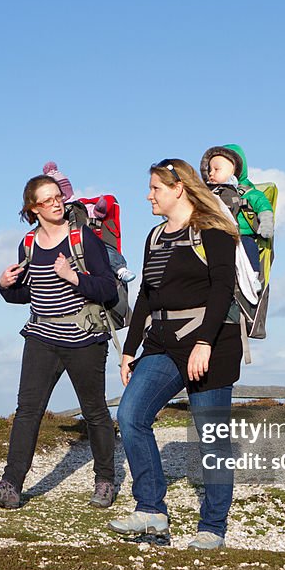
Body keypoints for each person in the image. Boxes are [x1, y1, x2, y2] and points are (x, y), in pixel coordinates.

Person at [108, 159, 243, 549]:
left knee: (212, 438)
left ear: (178, 188)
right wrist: (129, 350)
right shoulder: (154, 237)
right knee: (131, 415)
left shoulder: (213, 232)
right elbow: (146, 296)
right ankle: (151, 512)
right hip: (162, 344)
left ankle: (213, 528)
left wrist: (204, 343)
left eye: (155, 188)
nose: (148, 195)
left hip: (210, 345)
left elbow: (222, 291)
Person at [0, 174, 118, 510]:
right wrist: (3, 284)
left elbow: (108, 289)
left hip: (83, 338)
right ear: (33, 208)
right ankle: (11, 486)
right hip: (40, 337)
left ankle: (104, 481)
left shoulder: (82, 238)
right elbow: (29, 294)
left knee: (95, 412)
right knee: (27, 412)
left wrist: (74, 277)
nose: (57, 203)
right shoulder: (28, 244)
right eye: (48, 199)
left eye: (58, 197)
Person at [44, 160, 135, 283]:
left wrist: (99, 210)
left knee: (105, 251)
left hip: (88, 241)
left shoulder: (80, 205)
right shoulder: (51, 215)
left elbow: (94, 213)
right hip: (70, 247)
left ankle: (120, 269)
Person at [199, 144, 273, 272]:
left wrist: (266, 221)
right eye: (209, 169)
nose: (211, 173)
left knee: (248, 247)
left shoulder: (248, 193)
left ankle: (253, 274)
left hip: (242, 235)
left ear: (234, 170)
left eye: (217, 169)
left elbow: (263, 205)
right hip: (216, 237)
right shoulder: (209, 195)